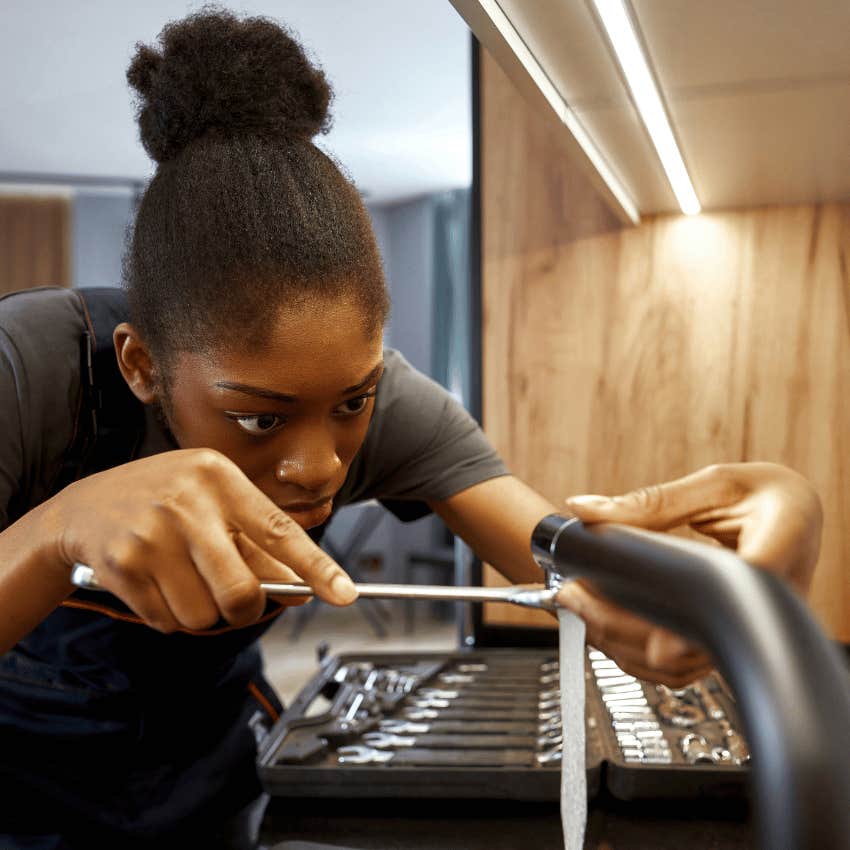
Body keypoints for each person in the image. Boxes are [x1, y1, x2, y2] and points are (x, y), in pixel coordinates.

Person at [0, 10, 823, 849]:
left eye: (352, 403)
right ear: (140, 367)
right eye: (258, 417)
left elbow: (559, 558)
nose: (320, 465)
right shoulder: (30, 379)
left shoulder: (387, 406)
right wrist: (57, 531)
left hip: (212, 758)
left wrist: (718, 600)